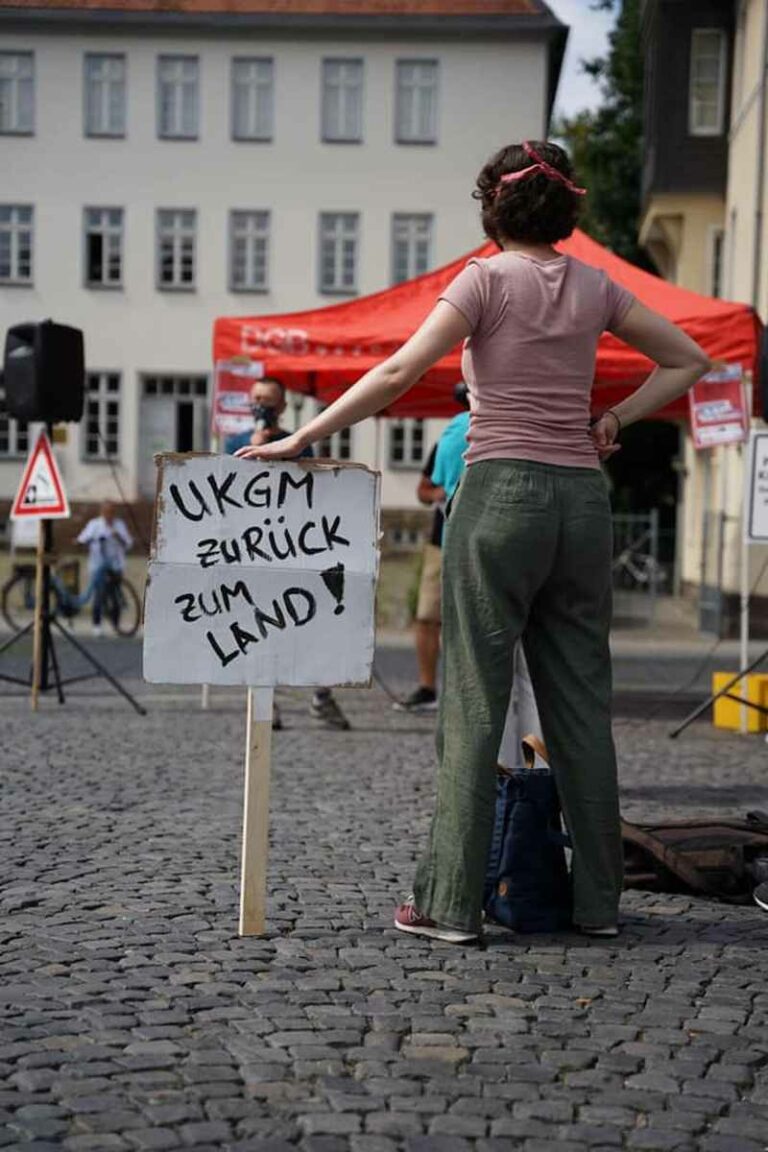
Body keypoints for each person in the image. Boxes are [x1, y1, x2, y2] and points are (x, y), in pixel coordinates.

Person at [235, 140, 710, 943]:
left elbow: (394, 375)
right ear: (567, 209)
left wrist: (300, 439)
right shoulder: (594, 285)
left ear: (493, 208)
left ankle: (450, 904)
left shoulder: (484, 279)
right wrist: (615, 419)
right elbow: (688, 359)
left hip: (499, 496)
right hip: (581, 502)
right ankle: (598, 904)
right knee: (581, 706)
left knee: (473, 700)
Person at [227, 376, 351, 732]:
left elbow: (305, 489)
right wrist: (252, 446)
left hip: (291, 546)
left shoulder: (298, 442)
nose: (260, 405)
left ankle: (321, 696)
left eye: (267, 399)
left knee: (306, 622)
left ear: (281, 406)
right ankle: (267, 702)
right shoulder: (235, 442)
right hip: (251, 550)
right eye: (255, 398)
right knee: (259, 626)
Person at [396, 382, 470, 713]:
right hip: (441, 540)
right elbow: (424, 488)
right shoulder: (451, 437)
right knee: (427, 616)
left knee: (471, 621)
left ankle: (466, 691)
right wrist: (437, 494)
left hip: (477, 541)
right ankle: (427, 687)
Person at [77, 500, 132, 636]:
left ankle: (116, 624)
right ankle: (97, 625)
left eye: (111, 512)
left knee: (115, 595)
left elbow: (128, 543)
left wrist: (118, 536)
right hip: (98, 564)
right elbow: (82, 538)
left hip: (115, 565)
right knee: (99, 595)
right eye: (106, 512)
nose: (109, 516)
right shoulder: (94, 524)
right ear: (102, 512)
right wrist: (87, 540)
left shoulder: (119, 525)